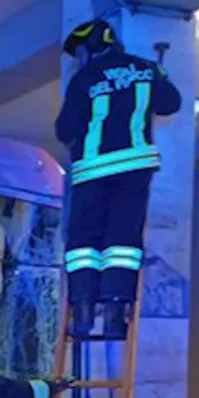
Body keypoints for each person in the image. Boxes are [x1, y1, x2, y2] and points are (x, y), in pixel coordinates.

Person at [55, 19, 182, 340]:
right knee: (123, 239)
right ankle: (116, 314)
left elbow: (64, 130)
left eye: (79, 51)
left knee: (84, 240)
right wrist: (159, 74)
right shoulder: (146, 69)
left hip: (92, 169)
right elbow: (171, 104)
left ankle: (82, 311)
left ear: (91, 48)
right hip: (135, 168)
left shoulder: (84, 77)